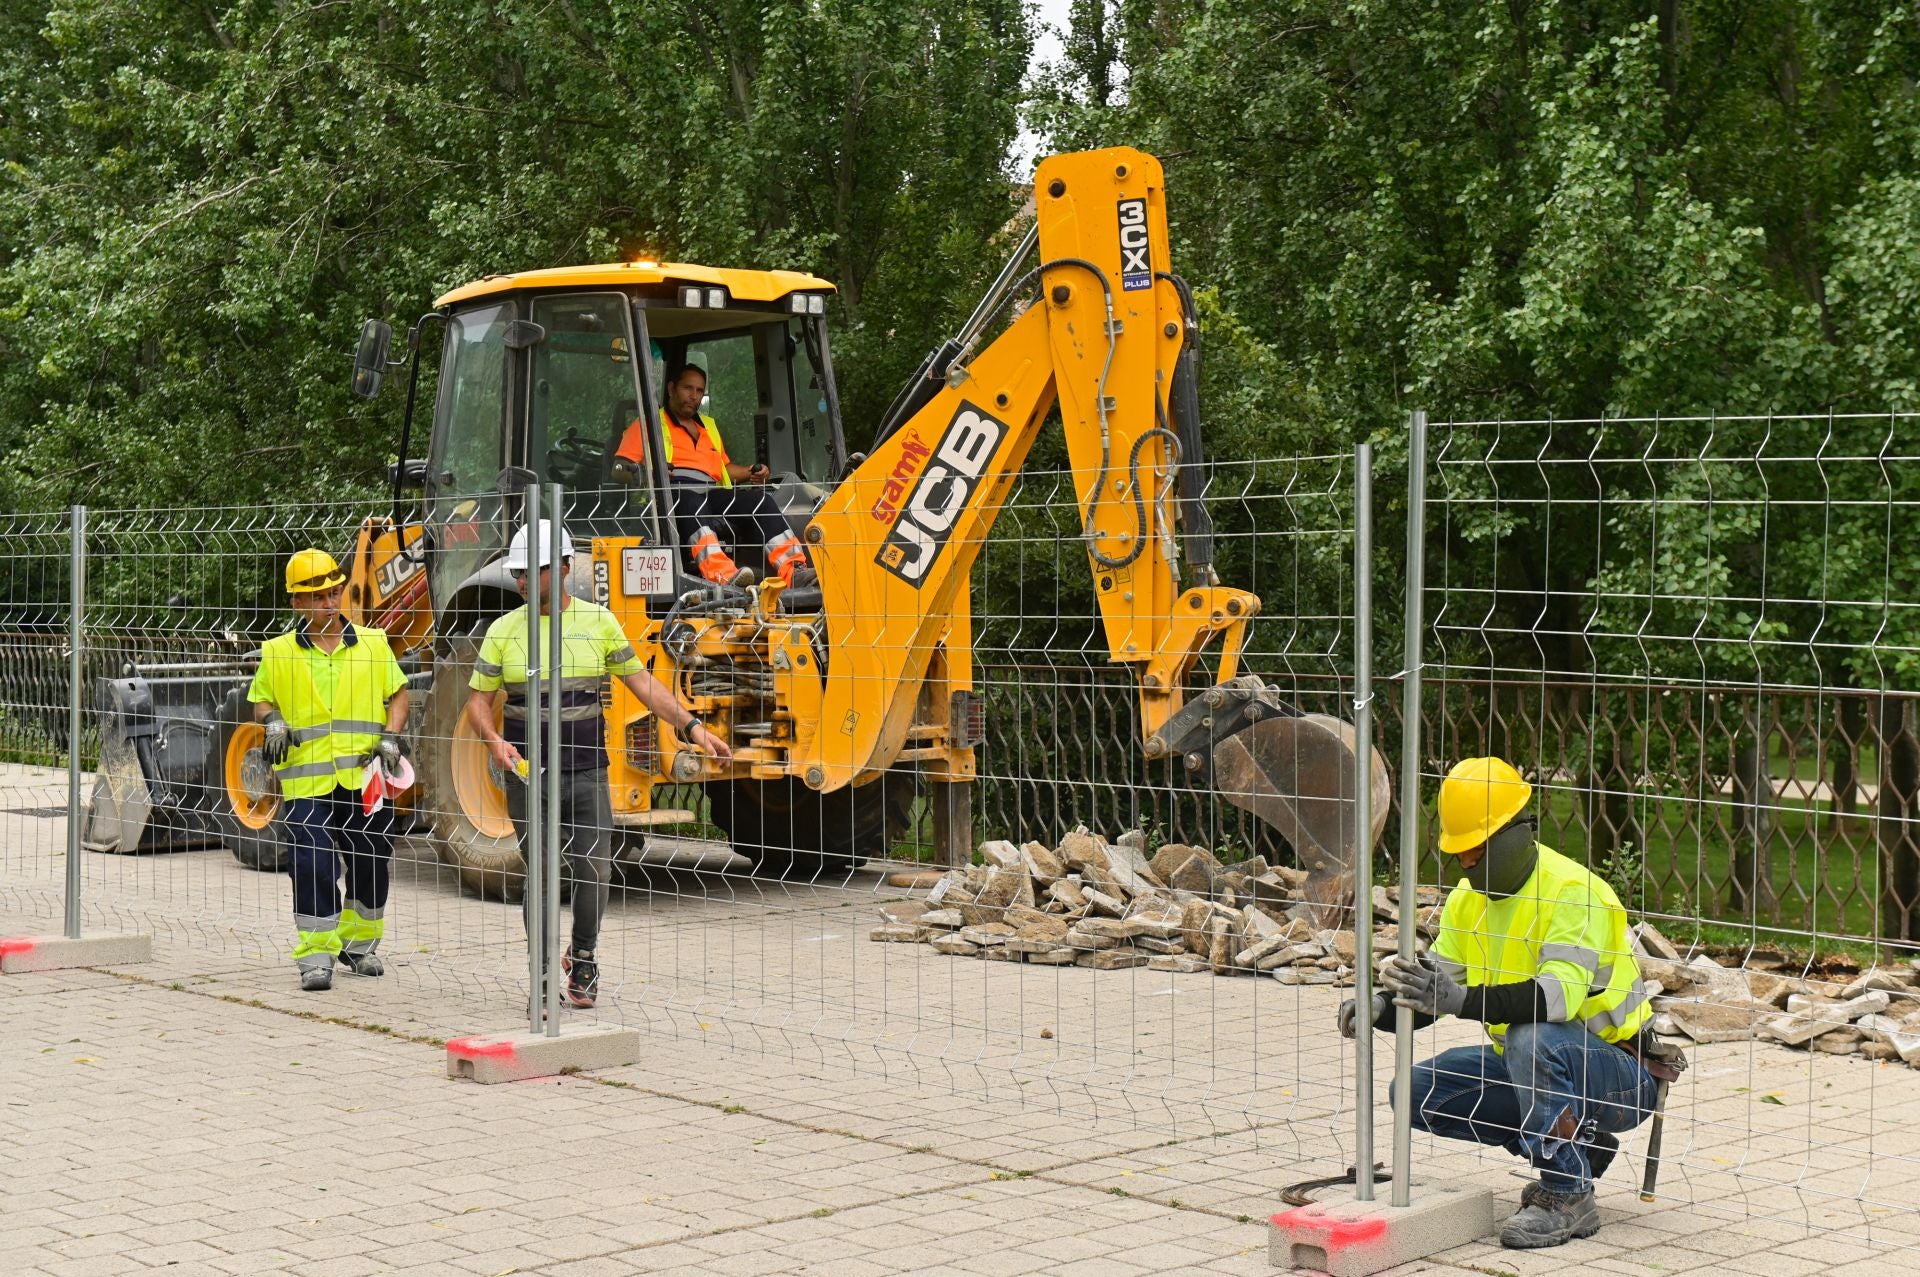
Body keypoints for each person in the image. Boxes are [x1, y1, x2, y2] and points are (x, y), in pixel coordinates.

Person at [1339, 755, 1677, 1250]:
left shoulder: (1574, 893)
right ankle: (1576, 1147)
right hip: (1534, 1066)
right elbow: (1435, 992)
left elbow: (1556, 1000)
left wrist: (1461, 1000)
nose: (1469, 863)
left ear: (1519, 832)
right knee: (1413, 1091)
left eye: (1477, 850)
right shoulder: (1465, 900)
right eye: (1461, 854)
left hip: (1620, 1077)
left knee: (1532, 1035)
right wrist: (1384, 1009)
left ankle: (1567, 1193)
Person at [464, 520, 732, 1008]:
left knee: (594, 870)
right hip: (528, 775)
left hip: (587, 769)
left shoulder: (600, 622)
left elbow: (644, 685)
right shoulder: (503, 629)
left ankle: (583, 958)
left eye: (535, 571)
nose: (524, 581)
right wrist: (492, 741)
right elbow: (478, 701)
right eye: (520, 572)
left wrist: (692, 727)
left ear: (564, 569)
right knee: (541, 870)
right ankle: (541, 974)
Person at [249, 548, 410, 993]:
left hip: (363, 779)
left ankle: (359, 947)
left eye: (334, 593)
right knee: (313, 863)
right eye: (317, 596)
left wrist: (390, 736)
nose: (328, 603)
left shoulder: (374, 645)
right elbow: (263, 699)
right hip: (309, 779)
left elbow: (399, 696)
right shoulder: (278, 653)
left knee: (372, 859)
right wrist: (272, 720)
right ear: (296, 603)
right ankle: (316, 954)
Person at [614, 363, 814, 588]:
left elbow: (724, 469)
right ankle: (723, 574)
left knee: (761, 501)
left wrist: (751, 472)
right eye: (688, 388)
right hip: (669, 497)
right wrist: (648, 473)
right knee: (690, 500)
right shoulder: (648, 424)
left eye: (699, 391)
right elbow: (620, 468)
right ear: (671, 389)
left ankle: (794, 571)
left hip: (712, 494)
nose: (694, 396)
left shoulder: (709, 427)